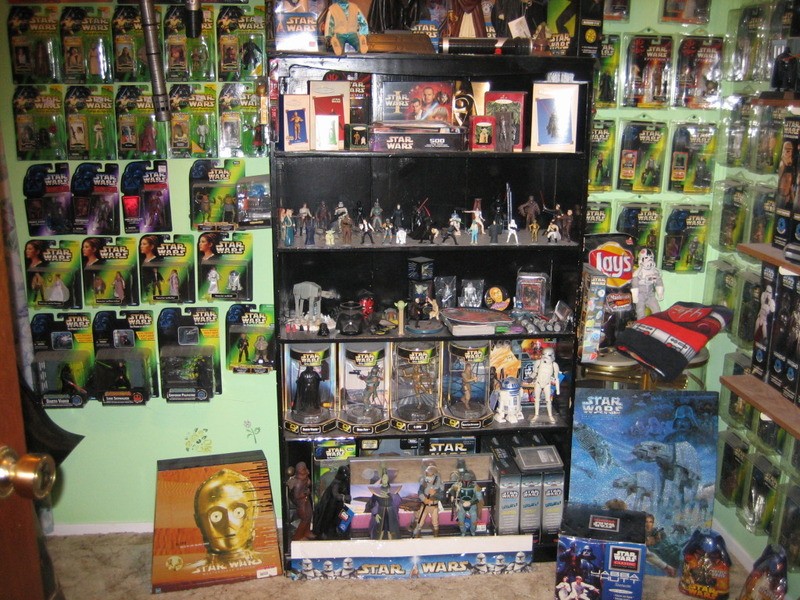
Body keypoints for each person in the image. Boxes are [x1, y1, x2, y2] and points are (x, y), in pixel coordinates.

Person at [192, 469, 261, 569]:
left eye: (238, 512)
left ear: (254, 511)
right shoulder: (190, 571)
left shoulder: (269, 561)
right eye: (216, 516)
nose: (228, 522)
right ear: (199, 521)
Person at [412, 464, 443, 538]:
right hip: (425, 505)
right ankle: (416, 534)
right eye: (427, 473)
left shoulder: (439, 484)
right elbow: (420, 492)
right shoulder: (424, 482)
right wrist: (424, 499)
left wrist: (435, 494)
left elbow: (441, 496)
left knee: (435, 522)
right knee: (420, 521)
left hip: (434, 506)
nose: (428, 475)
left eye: (430, 473)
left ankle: (436, 534)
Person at [287, 461, 313, 540]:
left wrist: (308, 485)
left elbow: (309, 483)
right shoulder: (298, 482)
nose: (307, 471)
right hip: (301, 503)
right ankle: (298, 536)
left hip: (306, 500)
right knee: (304, 518)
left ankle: (307, 532)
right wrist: (305, 493)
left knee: (309, 515)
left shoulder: (304, 478)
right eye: (304, 470)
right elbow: (297, 496)